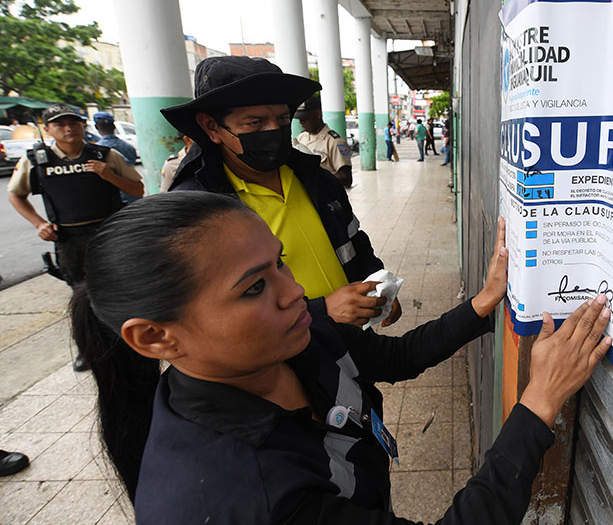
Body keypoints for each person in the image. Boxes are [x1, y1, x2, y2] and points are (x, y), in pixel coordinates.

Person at [70, 191, 612, 525]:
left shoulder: (292, 337)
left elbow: (397, 355)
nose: (296, 290)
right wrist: (540, 400)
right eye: (255, 287)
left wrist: (485, 301)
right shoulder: (248, 501)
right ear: (155, 338)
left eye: (279, 264)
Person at [161, 56, 400, 328]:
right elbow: (212, 314)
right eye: (255, 123)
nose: (274, 130)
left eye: (283, 118)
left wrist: (376, 280)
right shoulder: (197, 211)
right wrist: (321, 312)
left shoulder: (317, 179)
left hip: (352, 340)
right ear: (212, 127)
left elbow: (353, 240)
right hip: (283, 361)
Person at [7, 104, 144, 371]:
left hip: (107, 232)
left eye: (74, 123)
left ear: (83, 125)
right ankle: (88, 351)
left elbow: (137, 189)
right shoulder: (37, 160)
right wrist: (38, 224)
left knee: (118, 290)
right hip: (69, 238)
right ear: (48, 130)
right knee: (80, 297)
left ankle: (128, 345)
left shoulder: (105, 155)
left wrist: (108, 175)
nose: (69, 129)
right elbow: (16, 195)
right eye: (60, 124)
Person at [293, 94, 353, 187]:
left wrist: (317, 179)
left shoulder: (334, 142)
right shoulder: (301, 138)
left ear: (318, 114)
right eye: (300, 119)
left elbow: (346, 177)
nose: (301, 122)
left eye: (305, 118)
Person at [94, 111, 140, 204]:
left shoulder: (96, 151)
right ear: (114, 126)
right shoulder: (129, 147)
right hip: (133, 196)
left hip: (113, 199)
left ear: (96, 127)